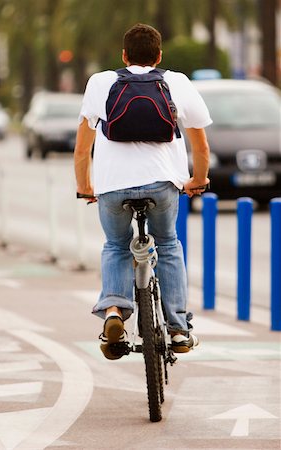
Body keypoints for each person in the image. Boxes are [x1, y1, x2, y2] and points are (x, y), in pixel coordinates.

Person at [74, 23, 212, 360]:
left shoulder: (100, 82)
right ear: (159, 55)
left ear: (123, 56)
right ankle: (179, 329)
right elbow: (201, 147)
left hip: (112, 187)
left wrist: (85, 187)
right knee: (167, 244)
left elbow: (81, 149)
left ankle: (113, 313)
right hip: (163, 183)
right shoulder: (176, 82)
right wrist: (197, 180)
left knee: (116, 245)